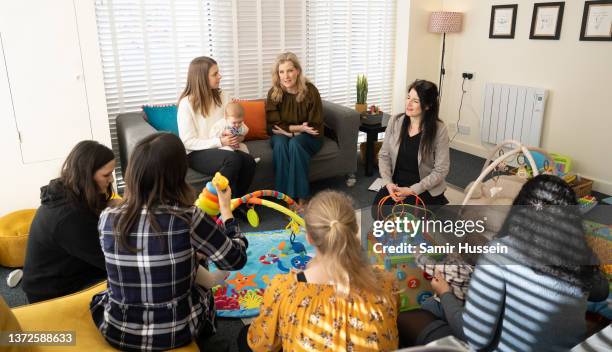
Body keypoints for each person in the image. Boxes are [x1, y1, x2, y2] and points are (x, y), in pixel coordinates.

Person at [398, 175, 610, 350]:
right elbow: (601, 291)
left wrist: (444, 292)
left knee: (409, 319)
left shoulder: (500, 254)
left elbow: (476, 339)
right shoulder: (580, 250)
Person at [90, 133, 248, 351]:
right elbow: (236, 260)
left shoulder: (107, 216)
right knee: (204, 281)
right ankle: (206, 339)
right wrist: (226, 211)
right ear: (178, 174)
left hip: (117, 329)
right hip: (174, 332)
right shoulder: (189, 217)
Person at [240, 190, 399, 352]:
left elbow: (261, 344)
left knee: (245, 338)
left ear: (309, 237)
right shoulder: (386, 281)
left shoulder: (283, 289)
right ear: (355, 229)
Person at [22, 140, 115, 303]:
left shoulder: (65, 190)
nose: (112, 180)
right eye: (107, 175)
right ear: (87, 175)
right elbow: (110, 262)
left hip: (66, 271)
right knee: (128, 280)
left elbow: (97, 208)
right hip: (53, 294)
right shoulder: (68, 218)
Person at [178, 56, 256, 197]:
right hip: (196, 152)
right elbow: (187, 142)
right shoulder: (186, 104)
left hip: (223, 147)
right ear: (201, 78)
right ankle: (210, 205)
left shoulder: (224, 96)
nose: (220, 76)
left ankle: (235, 203)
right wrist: (220, 141)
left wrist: (239, 136)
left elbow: (236, 122)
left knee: (249, 161)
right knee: (233, 160)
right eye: (215, 74)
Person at [374, 80, 450, 217]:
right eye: (408, 97)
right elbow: (384, 155)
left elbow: (441, 170)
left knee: (404, 219)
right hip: (396, 184)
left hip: (424, 188)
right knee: (378, 213)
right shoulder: (395, 121)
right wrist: (388, 183)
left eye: (415, 101)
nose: (408, 103)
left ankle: (436, 206)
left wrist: (412, 190)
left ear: (427, 105)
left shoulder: (439, 129)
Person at [266, 52, 323, 207]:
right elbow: (273, 126)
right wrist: (296, 129)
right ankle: (285, 198)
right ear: (277, 74)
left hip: (310, 137)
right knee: (280, 143)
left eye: (290, 70)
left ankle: (302, 197)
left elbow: (314, 126)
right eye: (281, 72)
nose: (286, 76)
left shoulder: (310, 91)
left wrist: (291, 132)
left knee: (296, 144)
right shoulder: (274, 93)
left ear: (297, 71)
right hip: (285, 135)